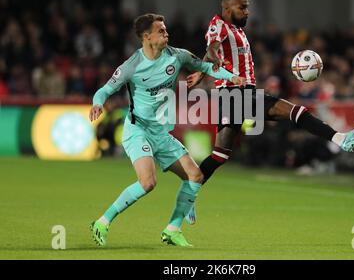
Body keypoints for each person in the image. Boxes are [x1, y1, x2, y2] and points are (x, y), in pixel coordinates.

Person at [185, 0, 354, 224]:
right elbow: (212, 47)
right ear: (228, 9)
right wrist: (211, 61)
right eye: (242, 7)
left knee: (220, 155)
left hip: (235, 94)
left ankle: (187, 197)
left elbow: (212, 50)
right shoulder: (219, 25)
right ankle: (340, 139)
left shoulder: (235, 29)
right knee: (293, 111)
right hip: (234, 93)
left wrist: (202, 71)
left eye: (247, 6)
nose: (247, 11)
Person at [89, 13, 246, 247]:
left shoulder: (178, 56)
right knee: (148, 183)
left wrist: (233, 78)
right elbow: (104, 90)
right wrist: (97, 102)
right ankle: (102, 222)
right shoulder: (132, 66)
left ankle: (172, 229)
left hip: (162, 133)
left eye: (166, 29)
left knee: (195, 176)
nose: (166, 33)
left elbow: (206, 66)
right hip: (138, 130)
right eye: (161, 30)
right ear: (147, 37)